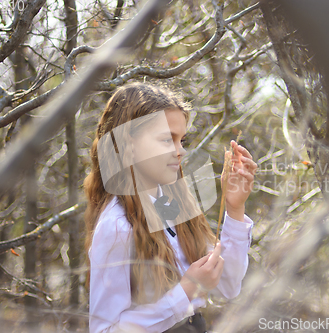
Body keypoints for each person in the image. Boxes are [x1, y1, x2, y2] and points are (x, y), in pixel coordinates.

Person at [84, 83, 257, 333]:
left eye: (181, 140)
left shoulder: (170, 204)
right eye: (167, 139)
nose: (180, 152)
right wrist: (188, 289)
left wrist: (235, 209)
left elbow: (228, 285)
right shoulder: (117, 226)